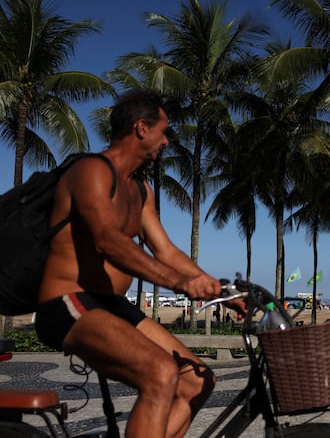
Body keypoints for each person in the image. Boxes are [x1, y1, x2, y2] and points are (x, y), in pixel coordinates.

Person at [35, 90, 244, 438]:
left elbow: (166, 251)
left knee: (197, 380)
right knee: (160, 372)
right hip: (69, 303)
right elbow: (108, 239)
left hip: (112, 307)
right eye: (164, 132)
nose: (166, 141)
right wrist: (179, 284)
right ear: (141, 128)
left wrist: (219, 288)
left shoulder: (141, 190)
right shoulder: (90, 170)